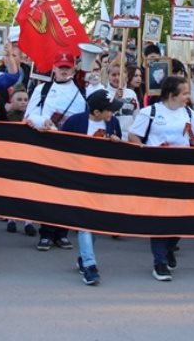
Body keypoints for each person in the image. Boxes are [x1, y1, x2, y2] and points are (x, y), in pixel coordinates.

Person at [128, 76, 194, 281]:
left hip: (183, 172)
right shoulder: (150, 112)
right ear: (171, 94)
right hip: (157, 173)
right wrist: (148, 152)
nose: (188, 96)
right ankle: (159, 262)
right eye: (184, 93)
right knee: (159, 218)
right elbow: (133, 136)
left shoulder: (188, 113)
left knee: (182, 215)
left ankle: (169, 246)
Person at [61, 89, 127, 285]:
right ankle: (90, 264)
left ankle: (84, 256)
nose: (112, 114)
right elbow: (61, 147)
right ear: (97, 112)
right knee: (85, 223)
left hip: (102, 180)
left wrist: (116, 143)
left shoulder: (112, 123)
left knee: (95, 223)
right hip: (79, 180)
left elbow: (118, 153)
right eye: (109, 110)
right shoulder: (75, 123)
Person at [24, 52, 86, 250]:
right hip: (47, 143)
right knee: (48, 191)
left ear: (74, 69)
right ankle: (46, 233)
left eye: (67, 67)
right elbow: (29, 116)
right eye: (61, 67)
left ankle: (62, 233)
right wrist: (44, 121)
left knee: (67, 192)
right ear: (54, 69)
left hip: (71, 147)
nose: (64, 71)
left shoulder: (82, 93)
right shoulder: (42, 90)